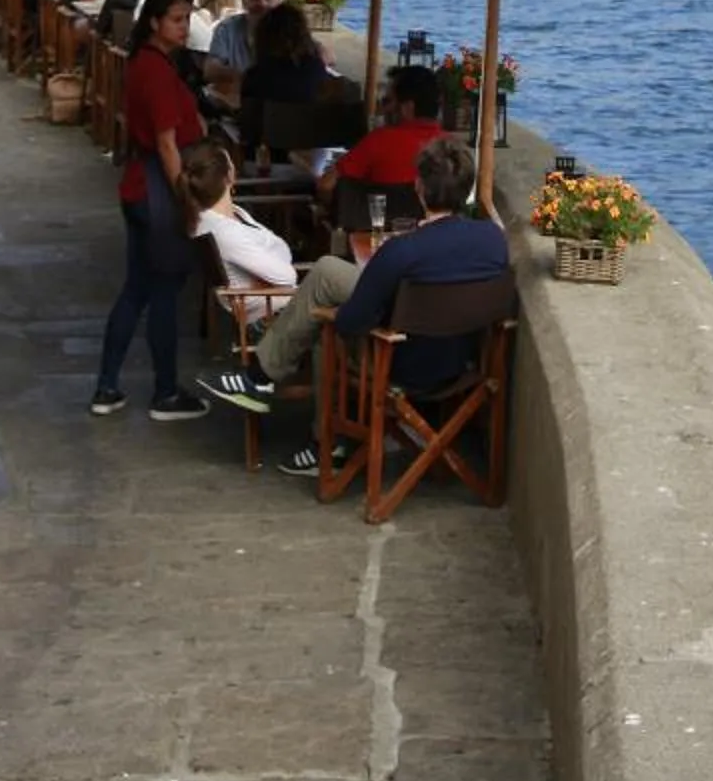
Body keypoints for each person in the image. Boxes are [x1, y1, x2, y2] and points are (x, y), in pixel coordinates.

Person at [200, 133, 508, 474]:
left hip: (401, 365)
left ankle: (325, 441)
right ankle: (307, 425)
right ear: (465, 189)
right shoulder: (493, 239)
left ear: (418, 187)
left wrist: (337, 312)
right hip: (464, 362)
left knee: (324, 324)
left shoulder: (402, 251)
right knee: (329, 280)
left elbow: (350, 323)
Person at [92, 0, 209, 422]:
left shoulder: (146, 63)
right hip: (159, 186)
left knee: (138, 287)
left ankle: (107, 385)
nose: (184, 27)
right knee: (164, 289)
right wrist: (186, 197)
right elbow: (166, 143)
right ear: (156, 21)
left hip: (141, 184)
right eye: (178, 19)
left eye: (186, 19)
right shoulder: (157, 72)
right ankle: (164, 391)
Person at [178, 141, 298, 334]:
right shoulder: (225, 232)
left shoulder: (232, 214)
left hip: (280, 301)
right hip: (273, 313)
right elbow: (287, 275)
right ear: (229, 176)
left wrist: (269, 272)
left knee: (334, 275)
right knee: (334, 276)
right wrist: (275, 263)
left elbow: (281, 259)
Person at [315, 65, 444, 208]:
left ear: (407, 108)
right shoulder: (452, 147)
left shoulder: (380, 140)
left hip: (378, 228)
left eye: (387, 101)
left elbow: (325, 186)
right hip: (437, 228)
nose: (383, 109)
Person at [238, 0, 334, 162]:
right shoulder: (316, 68)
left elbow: (249, 130)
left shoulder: (257, 75)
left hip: (268, 160)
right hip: (311, 157)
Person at [205, 0, 280, 104]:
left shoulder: (289, 29)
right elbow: (210, 69)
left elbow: (319, 52)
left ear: (278, 2)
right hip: (240, 99)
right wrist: (245, 77)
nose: (262, 3)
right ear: (244, 2)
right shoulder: (227, 28)